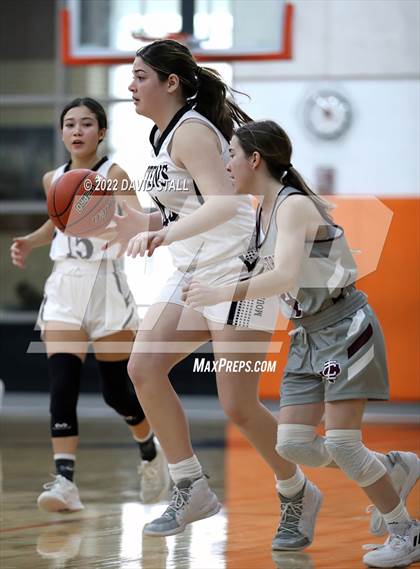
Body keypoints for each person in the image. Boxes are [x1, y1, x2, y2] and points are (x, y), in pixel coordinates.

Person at [108, 39, 384, 550]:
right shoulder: (160, 134)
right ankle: (190, 486)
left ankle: (296, 490)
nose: (130, 85)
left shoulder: (190, 131)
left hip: (237, 272)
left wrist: (162, 233)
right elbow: (183, 210)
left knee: (237, 403)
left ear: (171, 83)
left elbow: (220, 205)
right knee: (143, 368)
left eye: (140, 76)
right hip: (191, 272)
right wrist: (138, 224)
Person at [182, 120, 420, 568]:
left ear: (255, 159)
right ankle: (392, 467)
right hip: (307, 334)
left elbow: (286, 276)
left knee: (345, 443)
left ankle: (406, 531)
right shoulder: (262, 209)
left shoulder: (292, 206)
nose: (226, 163)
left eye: (231, 153)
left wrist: (220, 292)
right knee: (292, 443)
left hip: (344, 327)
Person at [10, 97, 170, 512]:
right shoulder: (53, 178)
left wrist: (124, 227)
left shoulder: (114, 175)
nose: (77, 130)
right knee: (62, 384)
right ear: (62, 133)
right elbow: (57, 220)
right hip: (65, 284)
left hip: (105, 285)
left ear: (101, 132)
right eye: (69, 124)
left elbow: (137, 220)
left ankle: (150, 448)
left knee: (117, 393)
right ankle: (64, 481)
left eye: (86, 124)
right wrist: (31, 240)